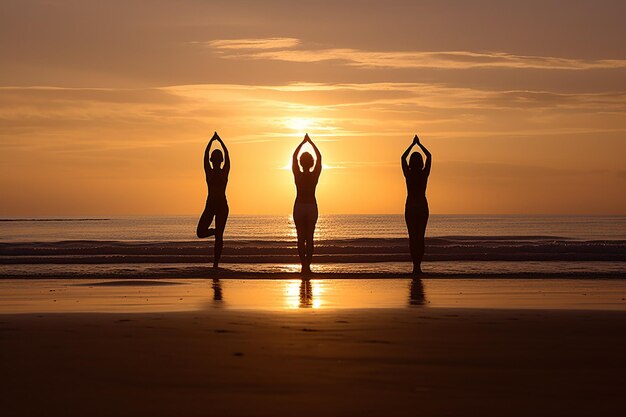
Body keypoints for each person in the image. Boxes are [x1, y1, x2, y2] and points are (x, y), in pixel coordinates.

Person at [197, 131, 230, 268]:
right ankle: (216, 231)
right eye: (214, 159)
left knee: (219, 238)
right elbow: (206, 157)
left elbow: (227, 156)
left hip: (221, 205)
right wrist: (216, 141)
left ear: (220, 160)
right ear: (213, 160)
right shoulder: (209, 172)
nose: (216, 161)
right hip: (211, 205)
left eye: (218, 158)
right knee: (201, 232)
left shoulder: (224, 171)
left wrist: (215, 141)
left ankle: (215, 265)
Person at [401, 134, 432, 274]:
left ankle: (415, 267)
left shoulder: (409, 175)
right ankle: (418, 266)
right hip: (422, 206)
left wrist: (412, 145)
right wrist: (419, 145)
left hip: (411, 206)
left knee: (413, 237)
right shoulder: (423, 174)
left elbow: (402, 158)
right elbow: (429, 156)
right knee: (420, 237)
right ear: (420, 163)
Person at [292, 133, 322, 274]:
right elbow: (320, 158)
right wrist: (311, 143)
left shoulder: (298, 175)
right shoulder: (314, 175)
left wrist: (302, 143)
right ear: (311, 163)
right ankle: (307, 267)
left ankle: (303, 266)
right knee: (309, 238)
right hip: (310, 206)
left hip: (299, 206)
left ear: (301, 163)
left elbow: (294, 157)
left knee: (300, 237)